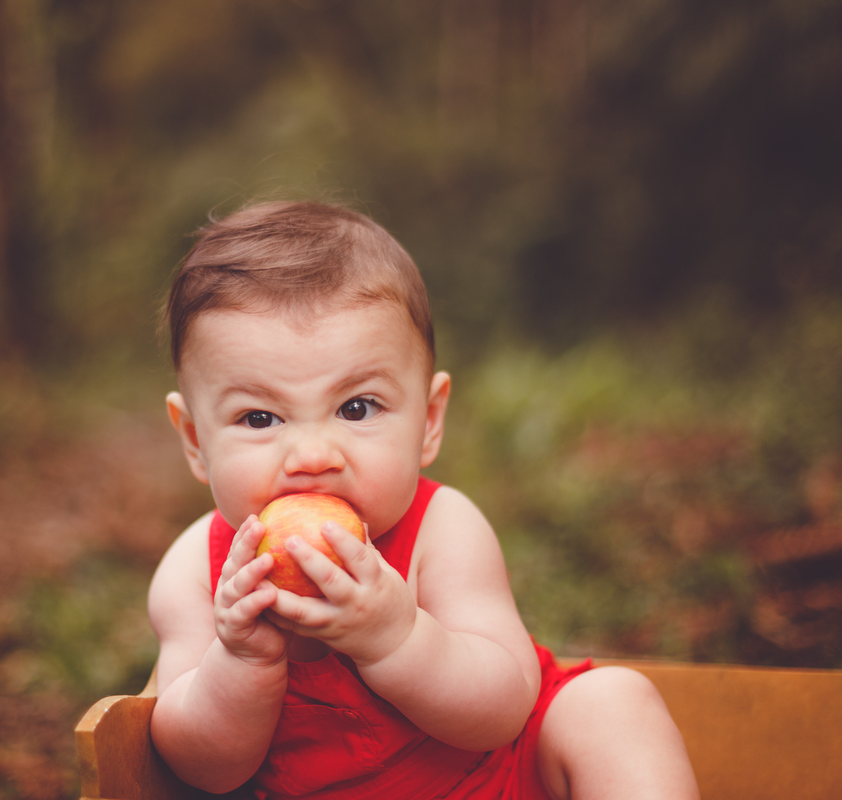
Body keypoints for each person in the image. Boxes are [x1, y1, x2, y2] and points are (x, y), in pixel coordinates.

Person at [147, 200, 699, 800]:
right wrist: (242, 662)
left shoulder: (443, 529)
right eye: (259, 417)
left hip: (506, 781)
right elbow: (198, 769)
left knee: (612, 704)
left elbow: (503, 708)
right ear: (197, 442)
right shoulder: (198, 573)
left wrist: (396, 637)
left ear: (429, 420)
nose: (311, 455)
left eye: (356, 408)